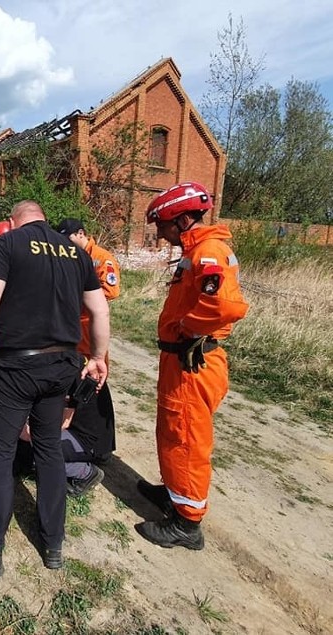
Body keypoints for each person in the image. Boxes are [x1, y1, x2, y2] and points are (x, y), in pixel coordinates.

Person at [0, 200, 110, 576]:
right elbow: (100, 311)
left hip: (18, 367)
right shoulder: (76, 251)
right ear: (45, 218)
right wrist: (98, 357)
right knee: (49, 449)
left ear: (13, 221)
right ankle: (53, 544)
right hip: (62, 366)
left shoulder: (8, 244)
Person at [135, 182, 248, 550]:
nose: (161, 234)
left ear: (182, 220)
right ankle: (175, 493)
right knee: (172, 431)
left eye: (163, 226)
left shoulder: (208, 251)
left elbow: (225, 306)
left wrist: (188, 328)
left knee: (185, 437)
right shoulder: (196, 250)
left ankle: (186, 523)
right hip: (181, 360)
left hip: (192, 362)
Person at [54, 217, 122, 495]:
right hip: (75, 330)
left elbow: (110, 292)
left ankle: (97, 447)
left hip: (91, 330)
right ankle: (93, 442)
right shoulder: (74, 256)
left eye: (68, 239)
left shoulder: (101, 259)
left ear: (81, 234)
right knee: (80, 385)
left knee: (92, 386)